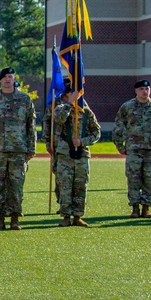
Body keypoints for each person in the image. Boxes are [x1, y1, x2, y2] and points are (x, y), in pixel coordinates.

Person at [0, 67, 36, 230]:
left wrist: (31, 148)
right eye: (4, 77)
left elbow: (30, 126)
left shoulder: (25, 100)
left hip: (18, 149)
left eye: (10, 77)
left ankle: (15, 219)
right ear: (0, 81)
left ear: (14, 79)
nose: (7, 80)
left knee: (16, 185)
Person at [112, 79, 151, 218]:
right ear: (136, 91)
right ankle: (134, 208)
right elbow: (118, 127)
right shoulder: (127, 107)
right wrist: (120, 146)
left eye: (147, 89)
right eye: (141, 89)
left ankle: (146, 207)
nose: (144, 92)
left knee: (149, 179)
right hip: (133, 150)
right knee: (133, 178)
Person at [52, 92, 101, 226]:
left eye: (78, 94)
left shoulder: (86, 112)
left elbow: (96, 132)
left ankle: (78, 216)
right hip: (65, 153)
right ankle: (66, 216)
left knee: (81, 185)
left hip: (82, 153)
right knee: (65, 185)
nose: (76, 97)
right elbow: (59, 120)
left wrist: (82, 141)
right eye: (73, 94)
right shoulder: (60, 109)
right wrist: (69, 105)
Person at [43, 90, 70, 202]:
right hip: (57, 145)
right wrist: (48, 142)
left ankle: (70, 204)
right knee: (59, 175)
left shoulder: (81, 103)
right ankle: (62, 202)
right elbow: (47, 122)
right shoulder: (54, 104)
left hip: (74, 145)